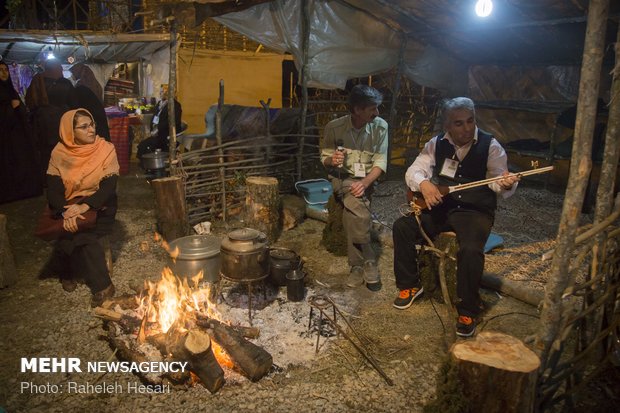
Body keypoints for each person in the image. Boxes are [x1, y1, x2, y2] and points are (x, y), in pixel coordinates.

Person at [392, 97, 519, 337]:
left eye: (470, 121)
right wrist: (425, 183)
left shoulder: (491, 146)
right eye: (459, 123)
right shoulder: (436, 143)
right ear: (447, 125)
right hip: (444, 205)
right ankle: (409, 285)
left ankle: (468, 309)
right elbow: (414, 170)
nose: (467, 128)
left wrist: (504, 184)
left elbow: (497, 185)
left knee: (470, 250)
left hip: (475, 211)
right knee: (403, 227)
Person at [45, 108, 119, 307]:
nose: (91, 130)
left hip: (100, 204)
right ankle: (87, 278)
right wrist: (65, 212)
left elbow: (109, 186)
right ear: (70, 131)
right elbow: (53, 189)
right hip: (69, 204)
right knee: (74, 228)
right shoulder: (59, 153)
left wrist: (85, 206)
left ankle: (97, 283)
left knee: (80, 232)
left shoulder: (105, 149)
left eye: (92, 124)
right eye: (84, 127)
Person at [320, 84, 388, 291]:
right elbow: (324, 158)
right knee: (359, 209)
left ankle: (356, 266)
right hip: (343, 178)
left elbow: (380, 161)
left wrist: (366, 182)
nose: (377, 113)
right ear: (357, 110)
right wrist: (332, 159)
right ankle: (369, 260)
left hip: (366, 178)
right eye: (372, 108)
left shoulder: (380, 127)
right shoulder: (334, 127)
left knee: (353, 214)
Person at [25, 59, 78, 182]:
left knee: (45, 152)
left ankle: (46, 179)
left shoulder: (37, 80)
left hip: (42, 122)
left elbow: (30, 101)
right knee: (62, 150)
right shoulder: (65, 83)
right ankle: (61, 178)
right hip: (61, 121)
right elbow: (74, 103)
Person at [0, 61, 43, 203]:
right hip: (4, 139)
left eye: (5, 69)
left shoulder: (12, 91)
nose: (4, 72)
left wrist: (18, 108)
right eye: (0, 70)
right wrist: (10, 109)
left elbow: (22, 111)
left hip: (18, 138)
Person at [136, 85, 183, 161]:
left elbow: (172, 121)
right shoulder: (160, 103)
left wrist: (158, 129)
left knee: (145, 145)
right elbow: (155, 117)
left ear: (167, 93)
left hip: (167, 135)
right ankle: (146, 164)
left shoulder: (175, 105)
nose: (160, 94)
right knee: (143, 144)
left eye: (161, 92)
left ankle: (149, 165)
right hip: (158, 134)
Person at [69, 63, 110, 141]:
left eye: (73, 73)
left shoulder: (81, 87)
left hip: (89, 119)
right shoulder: (94, 82)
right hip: (97, 118)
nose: (72, 76)